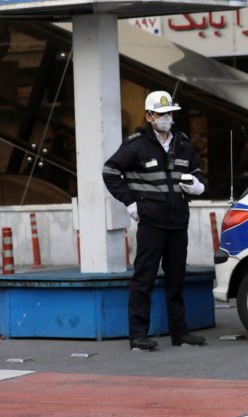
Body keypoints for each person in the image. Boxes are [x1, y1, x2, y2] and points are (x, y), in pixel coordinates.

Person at [102, 91, 207, 351]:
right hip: (151, 222)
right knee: (144, 278)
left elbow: (197, 172)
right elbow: (110, 171)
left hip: (178, 221)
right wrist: (130, 202)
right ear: (149, 117)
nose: (166, 118)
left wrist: (197, 186)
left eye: (169, 113)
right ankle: (138, 335)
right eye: (160, 114)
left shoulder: (182, 142)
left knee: (176, 279)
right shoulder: (136, 144)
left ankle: (180, 333)